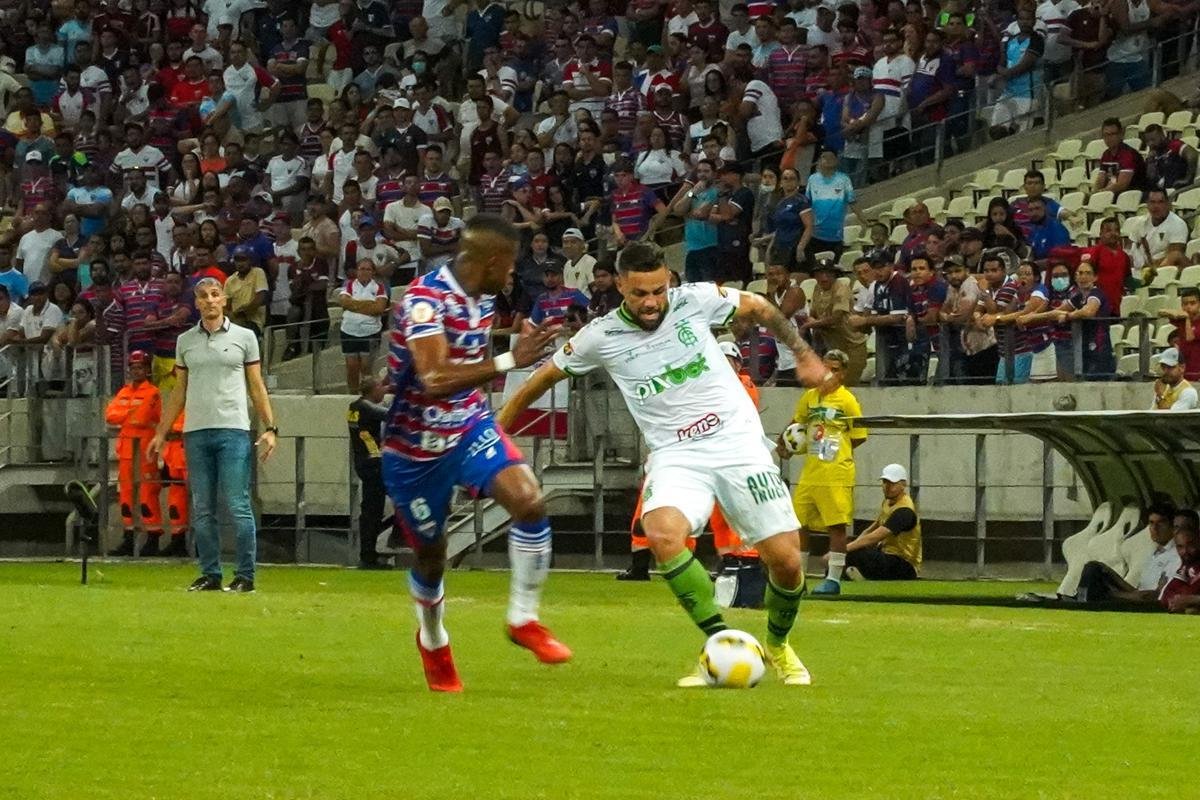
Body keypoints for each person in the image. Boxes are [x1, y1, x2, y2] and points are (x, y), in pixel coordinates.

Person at [498, 240, 830, 687]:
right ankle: (723, 641)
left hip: (738, 445)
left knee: (787, 562)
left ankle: (777, 643)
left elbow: (760, 307)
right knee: (662, 533)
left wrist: (805, 355)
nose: (652, 302)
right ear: (619, 286)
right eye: (639, 293)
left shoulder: (694, 300)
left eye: (659, 290)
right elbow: (539, 380)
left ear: (669, 281)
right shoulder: (599, 336)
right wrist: (493, 436)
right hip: (677, 454)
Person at [382, 214, 570, 693]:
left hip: (467, 426)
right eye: (509, 265)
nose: (514, 275)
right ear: (490, 261)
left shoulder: (484, 297)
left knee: (529, 501)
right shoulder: (424, 300)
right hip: (414, 448)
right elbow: (434, 378)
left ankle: (524, 620)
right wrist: (511, 360)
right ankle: (433, 638)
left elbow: (464, 374)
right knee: (431, 553)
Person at [146, 277, 279, 593]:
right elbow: (179, 391)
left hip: (233, 429)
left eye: (215, 294)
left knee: (237, 504)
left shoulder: (245, 337)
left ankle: (245, 576)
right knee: (202, 507)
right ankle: (211, 573)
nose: (209, 300)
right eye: (202, 296)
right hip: (196, 430)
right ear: (196, 303)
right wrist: (161, 433)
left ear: (224, 301)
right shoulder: (185, 341)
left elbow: (256, 386)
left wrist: (271, 428)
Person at [778, 349, 867, 595]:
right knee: (798, 524)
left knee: (836, 526)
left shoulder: (847, 400)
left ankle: (834, 580)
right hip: (811, 472)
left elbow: (858, 436)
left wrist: (837, 450)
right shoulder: (809, 397)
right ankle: (799, 578)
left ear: (843, 374)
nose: (829, 374)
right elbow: (797, 425)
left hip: (836, 472)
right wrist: (783, 442)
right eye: (826, 368)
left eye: (835, 370)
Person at [104, 350, 164, 557]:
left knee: (147, 494)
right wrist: (129, 414)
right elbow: (110, 415)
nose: (136, 371)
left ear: (147, 370)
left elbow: (144, 416)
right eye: (133, 367)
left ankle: (153, 537)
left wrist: (126, 415)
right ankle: (129, 538)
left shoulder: (153, 392)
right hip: (127, 450)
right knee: (127, 496)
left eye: (140, 367)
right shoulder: (124, 391)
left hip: (145, 449)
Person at [1071, 503, 1180, 604]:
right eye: (1151, 523)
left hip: (1146, 601)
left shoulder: (1176, 556)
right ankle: (1084, 597)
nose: (1155, 528)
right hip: (1138, 595)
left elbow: (1154, 595)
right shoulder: (1155, 553)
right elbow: (1139, 590)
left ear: (1172, 527)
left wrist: (1111, 594)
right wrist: (1109, 572)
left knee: (1093, 574)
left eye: (1161, 523)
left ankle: (1085, 598)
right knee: (1094, 567)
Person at [844, 463, 922, 580]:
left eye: (893, 483)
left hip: (905, 565)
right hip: (886, 555)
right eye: (885, 482)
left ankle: (859, 575)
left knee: (856, 554)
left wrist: (842, 551)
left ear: (903, 485)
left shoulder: (905, 511)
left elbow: (875, 537)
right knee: (853, 552)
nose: (887, 486)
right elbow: (871, 530)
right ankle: (853, 574)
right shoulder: (887, 502)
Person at [348, 375, 391, 569]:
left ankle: (368, 554)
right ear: (372, 390)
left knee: (370, 510)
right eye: (381, 388)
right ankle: (368, 556)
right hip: (374, 463)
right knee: (374, 510)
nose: (384, 391)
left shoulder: (354, 407)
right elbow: (391, 415)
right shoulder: (366, 407)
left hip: (363, 462)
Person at [337, 259, 390, 392]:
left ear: (373, 272)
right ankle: (352, 393)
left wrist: (354, 305)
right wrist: (368, 306)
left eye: (368, 269)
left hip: (370, 332)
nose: (364, 272)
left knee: (366, 367)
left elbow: (379, 308)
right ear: (357, 270)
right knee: (351, 366)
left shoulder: (379, 287)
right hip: (349, 331)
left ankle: (367, 395)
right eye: (361, 268)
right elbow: (344, 302)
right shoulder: (349, 285)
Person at [1159, 513, 1200, 614]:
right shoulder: (1186, 567)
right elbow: (1166, 596)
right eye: (1180, 547)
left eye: (1190, 545)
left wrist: (1190, 599)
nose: (1185, 551)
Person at [1160, 287, 1200, 381]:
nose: (1188, 307)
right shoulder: (1182, 319)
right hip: (1184, 369)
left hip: (1197, 371)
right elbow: (1161, 312)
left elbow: (1190, 337)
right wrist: (1178, 313)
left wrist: (1187, 319)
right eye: (1185, 304)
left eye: (1193, 303)